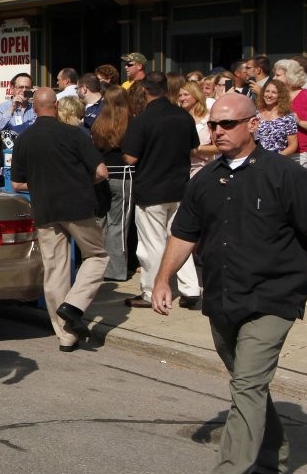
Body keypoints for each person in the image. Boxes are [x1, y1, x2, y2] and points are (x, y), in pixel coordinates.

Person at [151, 93, 307, 474]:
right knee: (246, 383)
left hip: (272, 297)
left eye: (228, 124)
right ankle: (269, 465)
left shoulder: (288, 177)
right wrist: (163, 278)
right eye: (214, 125)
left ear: (253, 126)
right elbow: (184, 233)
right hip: (222, 297)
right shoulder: (203, 179)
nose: (217, 131)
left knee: (247, 386)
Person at [11, 88, 110, 352]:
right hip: (78, 206)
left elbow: (17, 183)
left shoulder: (24, 139)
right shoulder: (73, 133)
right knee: (98, 256)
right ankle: (74, 305)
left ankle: (65, 336)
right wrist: (84, 181)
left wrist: (41, 183)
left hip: (44, 208)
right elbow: (102, 171)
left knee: (55, 270)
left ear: (34, 108)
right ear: (55, 106)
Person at [123, 71, 202, 309]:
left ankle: (151, 291)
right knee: (181, 238)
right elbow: (194, 148)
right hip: (180, 187)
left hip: (151, 190)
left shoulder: (142, 120)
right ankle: (190, 288)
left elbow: (130, 158)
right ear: (167, 90)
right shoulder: (183, 116)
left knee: (152, 245)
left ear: (145, 90)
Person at [91, 86, 135, 282]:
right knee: (118, 225)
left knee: (101, 223)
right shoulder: (131, 123)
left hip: (102, 177)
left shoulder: (97, 123)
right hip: (123, 177)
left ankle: (96, 268)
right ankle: (115, 271)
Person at [178, 81, 218, 176]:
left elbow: (218, 147)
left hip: (204, 171)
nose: (182, 98)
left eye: (186, 94)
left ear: (196, 95)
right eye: (180, 95)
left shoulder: (209, 117)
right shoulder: (177, 118)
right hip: (181, 171)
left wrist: (198, 149)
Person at [253, 78, 298, 157]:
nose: (269, 95)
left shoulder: (287, 117)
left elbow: (293, 146)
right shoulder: (256, 114)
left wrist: (276, 158)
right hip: (256, 158)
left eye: (274, 92)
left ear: (280, 96)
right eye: (267, 91)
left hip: (277, 161)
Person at [0, 72, 36, 139]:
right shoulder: (1, 109)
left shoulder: (35, 109)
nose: (24, 90)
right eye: (20, 87)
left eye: (27, 87)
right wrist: (11, 109)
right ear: (12, 88)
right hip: (10, 149)